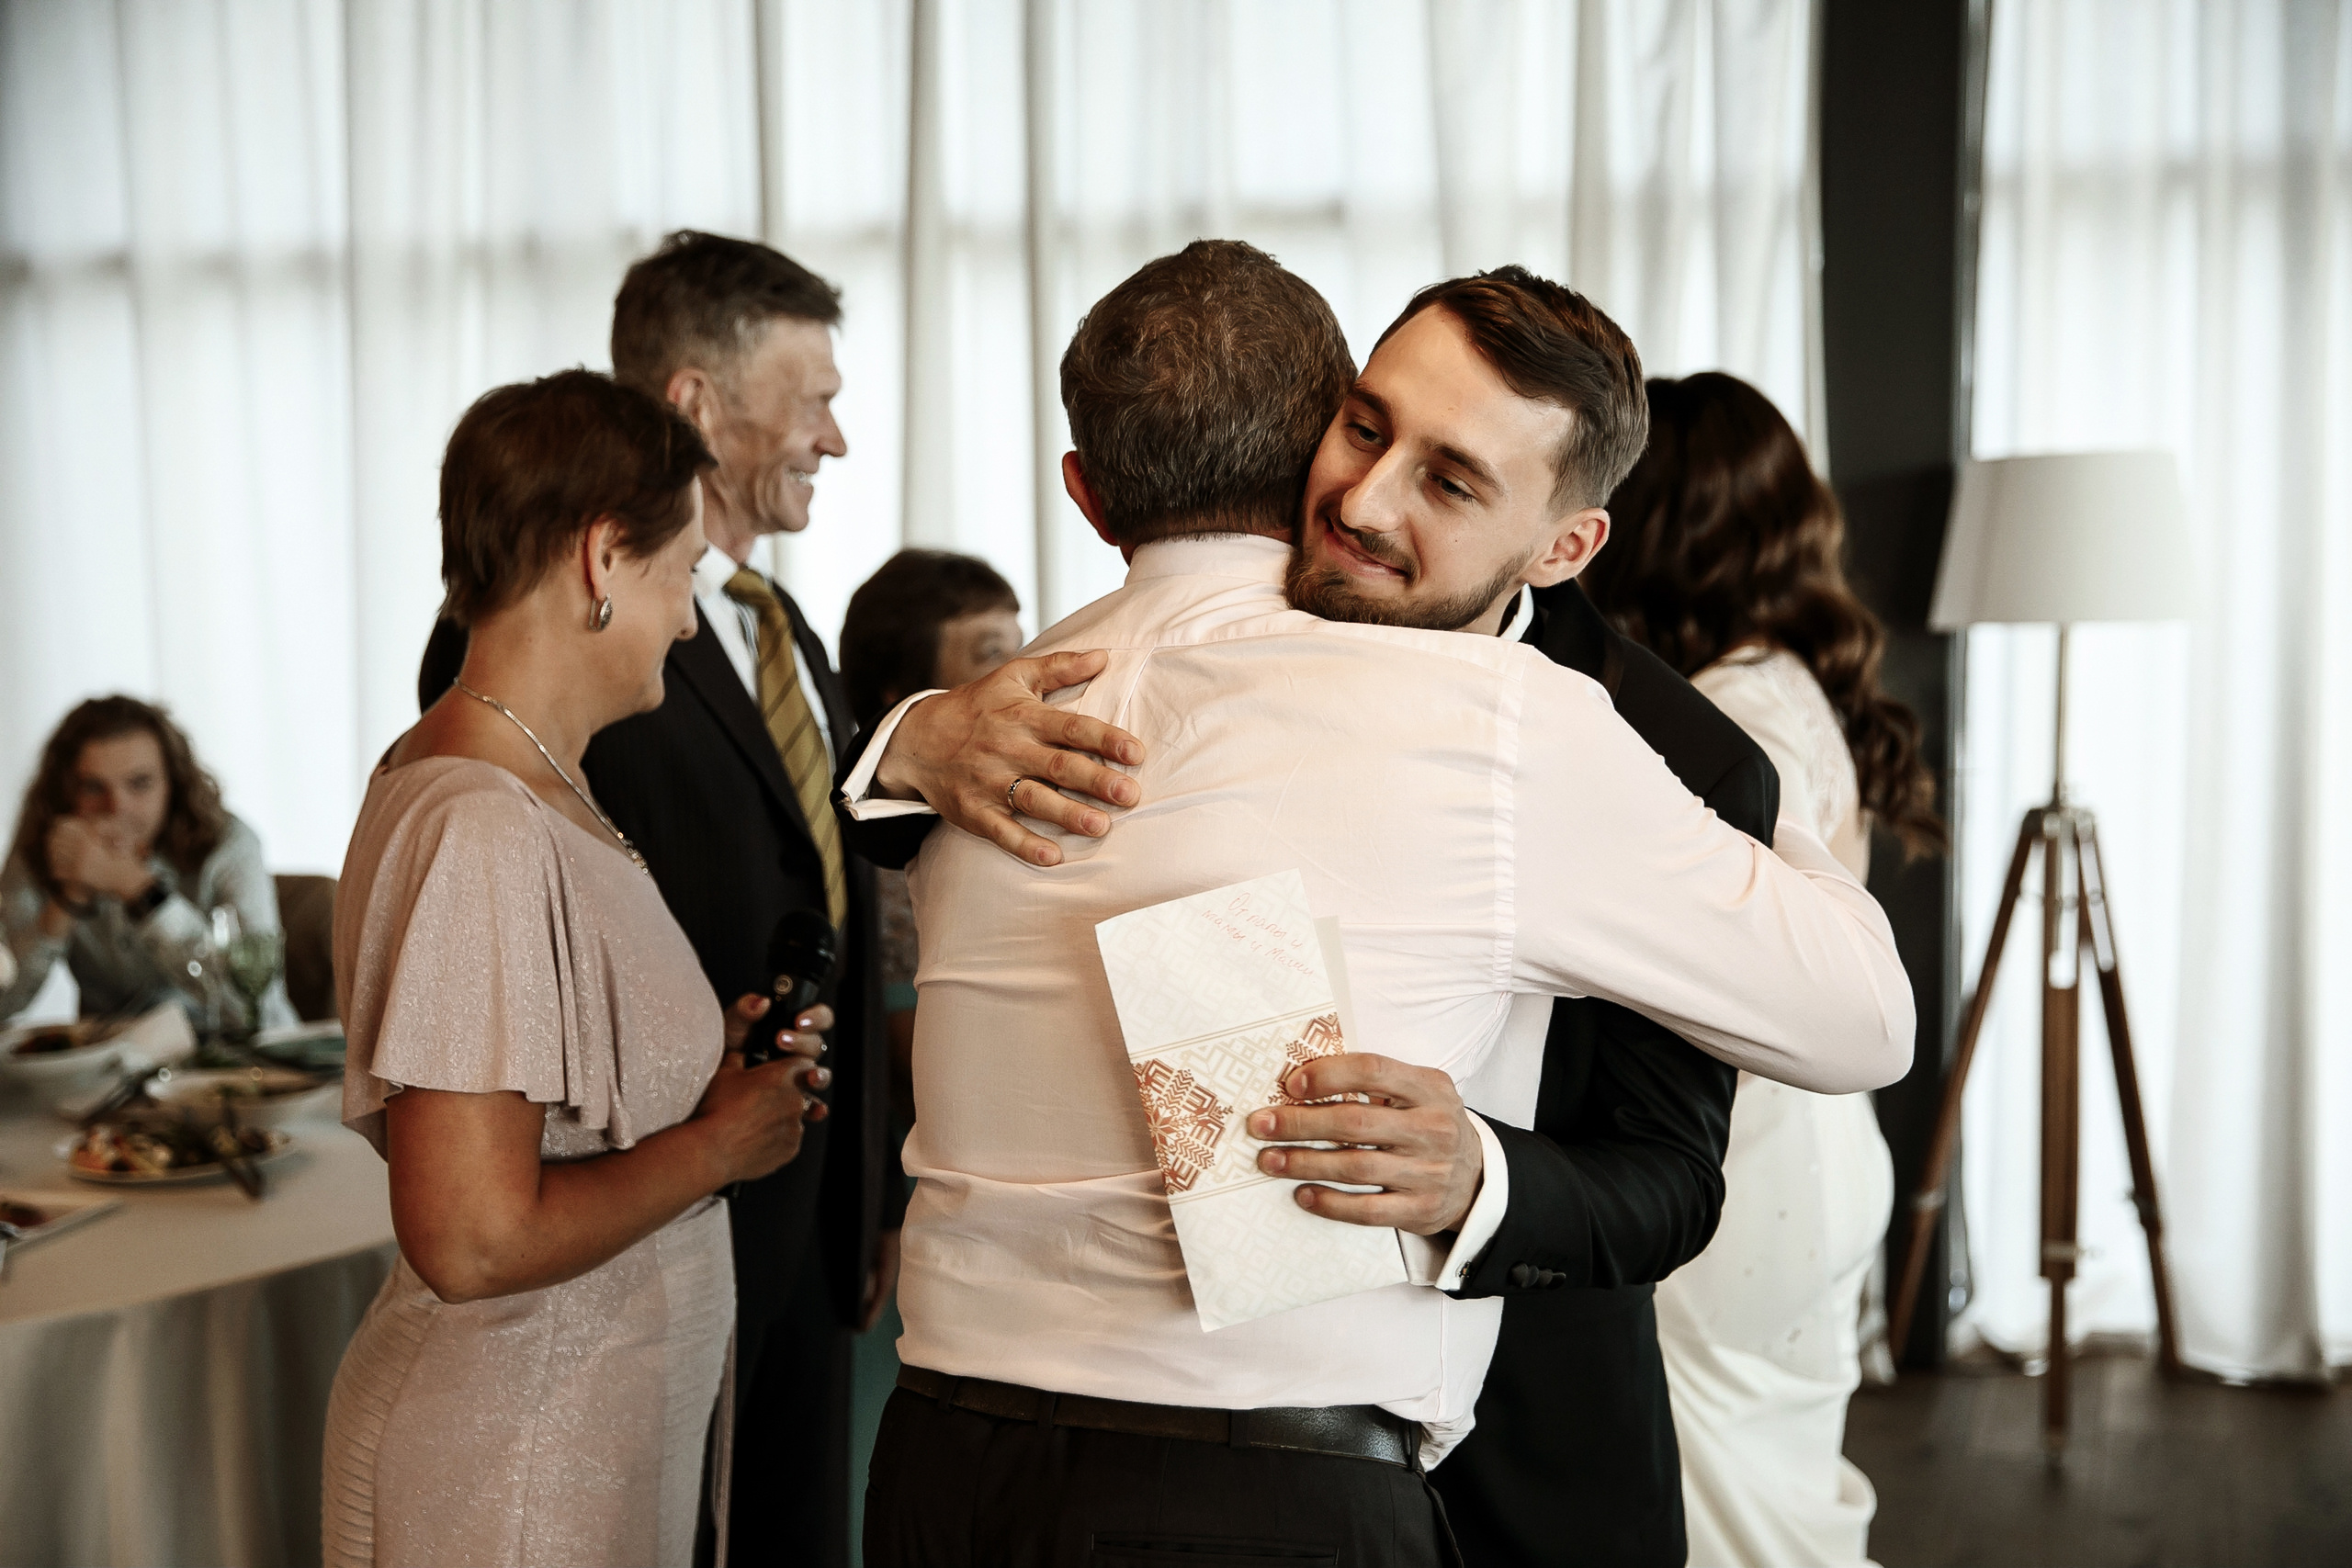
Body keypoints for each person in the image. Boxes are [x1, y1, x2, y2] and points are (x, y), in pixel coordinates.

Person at [839, 242, 1915, 1564]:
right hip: (1136, 1448)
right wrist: (908, 742)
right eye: (1362, 426)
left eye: (1449, 480)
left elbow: (1679, 1170)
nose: (1358, 499)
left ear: (1565, 542)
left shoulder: (1661, 754)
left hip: (1515, 1441)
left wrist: (1485, 1172)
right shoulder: (1086, 682)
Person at [417, 231, 903, 1568]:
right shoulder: (509, 693)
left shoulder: (782, 630)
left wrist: (863, 1184)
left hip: (791, 1196)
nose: (839, 438)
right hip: (624, 1229)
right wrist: (709, 1141)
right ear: (695, 403)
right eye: (815, 401)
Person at [322, 370, 829, 1568]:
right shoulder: (485, 822)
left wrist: (704, 1078)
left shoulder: (523, 780)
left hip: (565, 1440)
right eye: (679, 573)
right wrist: (716, 1146)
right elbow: (472, 1234)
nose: (691, 619)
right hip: (507, 1470)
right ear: (604, 558)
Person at [1582, 371, 1944, 1568]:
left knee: (1719, 1509)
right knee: (1768, 1493)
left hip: (1745, 1165)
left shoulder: (1722, 712)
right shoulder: (1790, 682)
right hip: (1825, 1153)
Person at [838, 548, 1024, 1112]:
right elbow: (918, 1067)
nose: (1018, 678)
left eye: (1024, 648)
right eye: (992, 656)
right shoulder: (883, 860)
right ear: (904, 702)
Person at [2, 695, 296, 1032]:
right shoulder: (42, 848)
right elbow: (4, 1003)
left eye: (139, 784)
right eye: (93, 788)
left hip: (231, 1060)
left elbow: (254, 1008)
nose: (117, 807)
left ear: (173, 782)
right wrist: (69, 897)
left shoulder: (230, 844)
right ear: (65, 792)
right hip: (111, 1069)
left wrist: (138, 888)